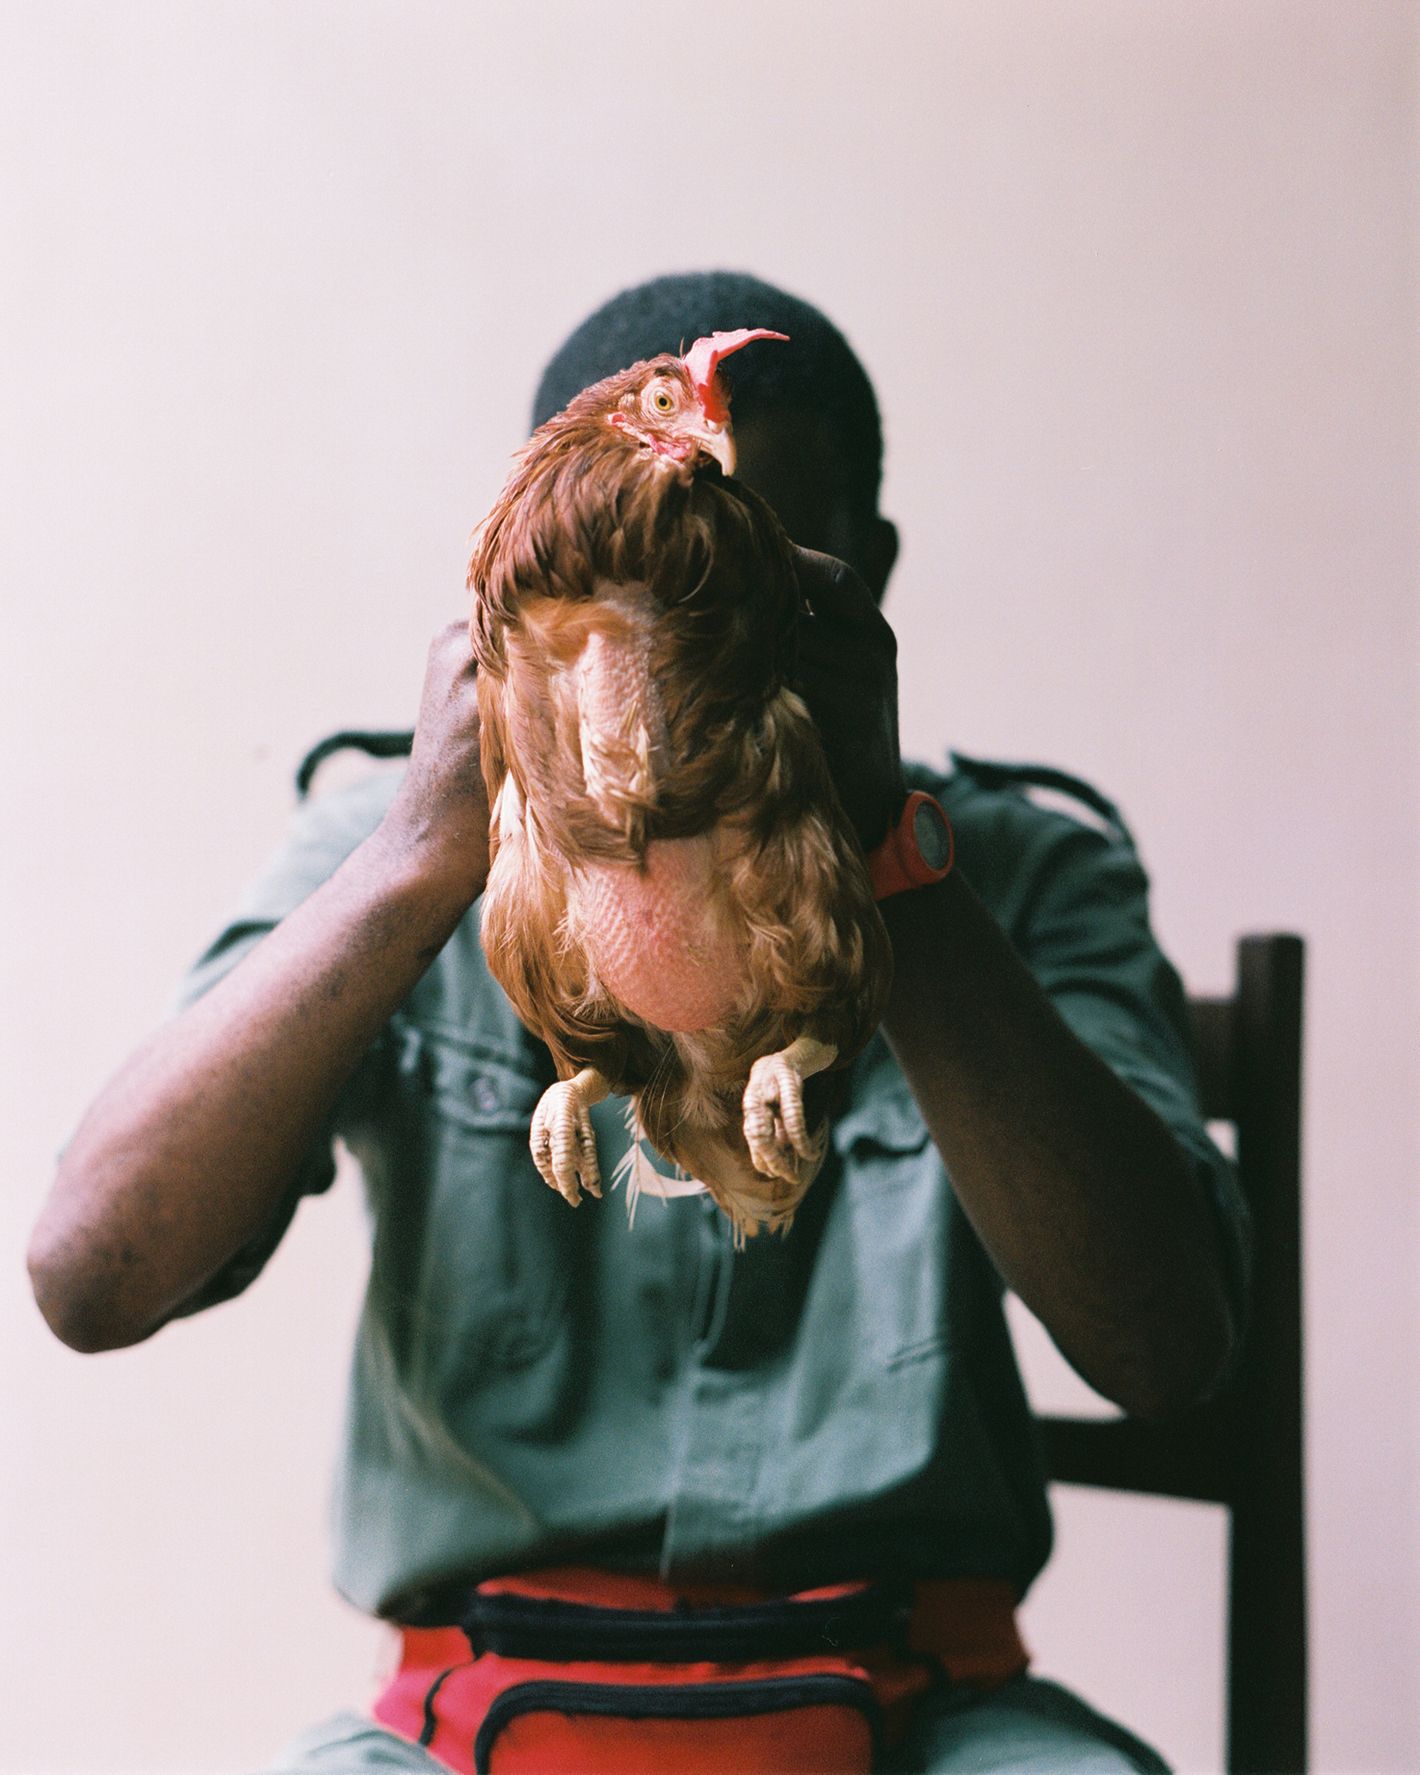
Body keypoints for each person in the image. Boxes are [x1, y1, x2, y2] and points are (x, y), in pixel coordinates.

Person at [29, 272, 1247, 1773]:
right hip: (475, 1720)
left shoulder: (1016, 873)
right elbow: (91, 1275)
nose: (686, 661)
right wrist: (422, 856)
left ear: (866, 578)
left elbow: (1168, 1350)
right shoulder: (397, 841)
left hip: (918, 1706)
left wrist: (892, 859)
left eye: (752, 585)